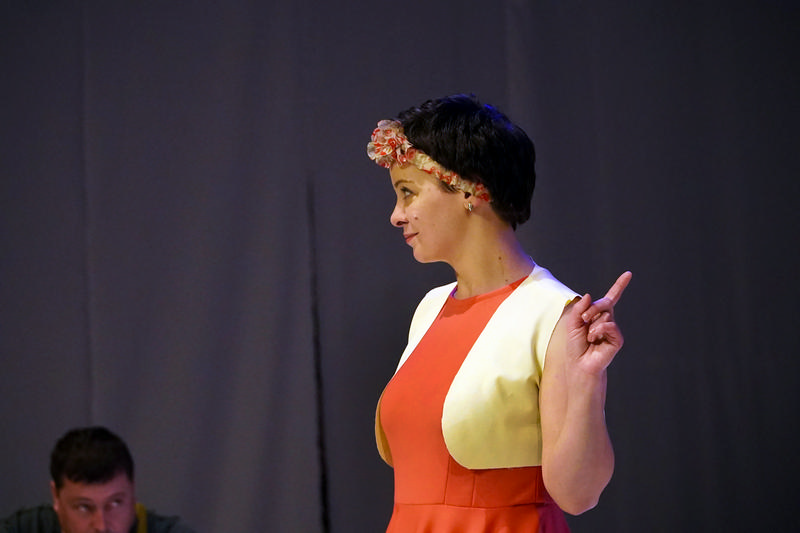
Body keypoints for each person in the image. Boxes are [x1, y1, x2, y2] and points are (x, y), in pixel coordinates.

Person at [367, 94, 632, 532]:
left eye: (408, 193)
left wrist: (587, 382)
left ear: (471, 189)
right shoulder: (431, 307)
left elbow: (578, 495)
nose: (397, 216)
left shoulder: (553, 314)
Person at [1, 426, 195, 533]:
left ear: (133, 493)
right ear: (56, 497)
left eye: (115, 503)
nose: (101, 526)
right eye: (84, 507)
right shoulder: (26, 528)